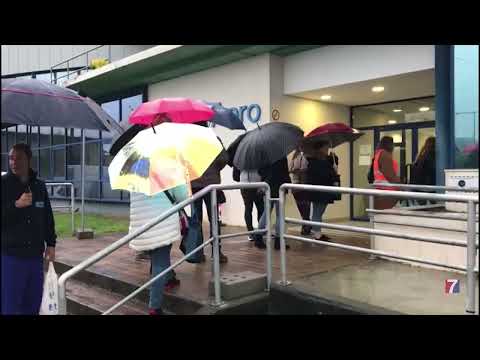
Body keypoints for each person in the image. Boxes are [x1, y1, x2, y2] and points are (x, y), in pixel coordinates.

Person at [1, 143, 57, 315]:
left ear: (29, 160)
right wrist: (16, 205)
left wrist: (51, 243)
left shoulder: (39, 186)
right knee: (10, 306)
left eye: (19, 158)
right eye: (11, 158)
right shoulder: (3, 184)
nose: (13, 162)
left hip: (35, 257)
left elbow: (47, 215)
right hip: (10, 257)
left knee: (32, 304)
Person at [129, 184, 189, 315]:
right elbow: (182, 196)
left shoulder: (137, 170)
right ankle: (154, 306)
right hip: (162, 223)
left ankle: (169, 278)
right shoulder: (168, 168)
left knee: (158, 258)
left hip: (142, 224)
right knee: (159, 263)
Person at [190, 125, 229, 263]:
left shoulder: (188, 142)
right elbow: (225, 159)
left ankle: (197, 253)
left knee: (196, 220)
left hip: (194, 186)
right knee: (215, 219)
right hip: (212, 186)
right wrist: (215, 168)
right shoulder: (214, 140)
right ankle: (217, 252)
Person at [253, 158, 291, 250]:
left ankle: (258, 237)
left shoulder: (264, 156)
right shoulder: (281, 156)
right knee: (280, 214)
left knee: (266, 213)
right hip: (280, 186)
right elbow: (285, 172)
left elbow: (260, 171)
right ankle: (278, 241)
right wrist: (289, 184)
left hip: (268, 186)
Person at [306, 141, 338, 241]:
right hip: (319, 190)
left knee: (319, 211)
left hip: (323, 190)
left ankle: (316, 231)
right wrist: (332, 171)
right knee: (318, 211)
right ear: (320, 149)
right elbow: (324, 174)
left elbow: (330, 171)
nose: (327, 150)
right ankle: (317, 233)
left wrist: (335, 161)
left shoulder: (326, 160)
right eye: (325, 148)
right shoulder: (314, 161)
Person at [373, 136, 401, 210]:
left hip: (380, 188)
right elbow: (390, 175)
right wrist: (401, 184)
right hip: (388, 190)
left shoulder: (378, 154)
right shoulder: (385, 155)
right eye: (393, 144)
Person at [289, 146, 312, 236]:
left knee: (305, 206)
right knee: (302, 207)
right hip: (297, 185)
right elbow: (290, 169)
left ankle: (306, 226)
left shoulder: (307, 156)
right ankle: (307, 225)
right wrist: (296, 170)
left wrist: (299, 171)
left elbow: (309, 169)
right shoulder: (295, 156)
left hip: (302, 185)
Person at [240, 169, 265, 242]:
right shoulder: (259, 158)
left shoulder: (241, 160)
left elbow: (235, 175)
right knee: (261, 208)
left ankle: (250, 233)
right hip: (257, 184)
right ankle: (260, 231)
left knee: (248, 208)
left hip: (244, 185)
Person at [409, 137, 436, 205]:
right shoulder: (432, 156)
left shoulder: (421, 156)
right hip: (428, 186)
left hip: (419, 186)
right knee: (434, 206)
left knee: (422, 208)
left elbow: (416, 170)